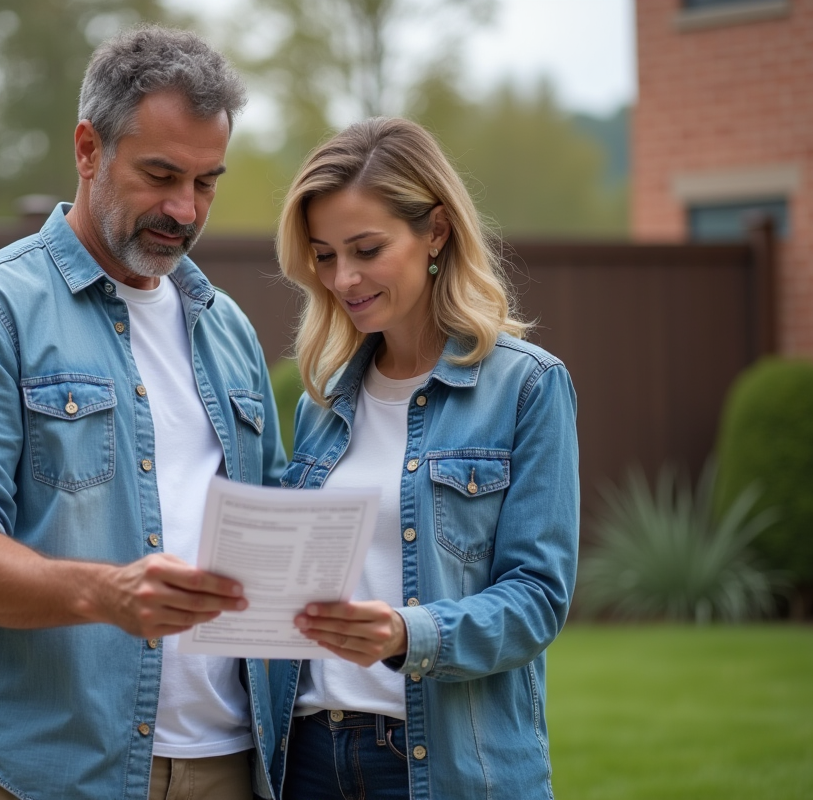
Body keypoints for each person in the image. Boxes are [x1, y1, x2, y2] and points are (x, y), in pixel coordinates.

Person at [0, 26, 287, 800]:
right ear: (88, 149)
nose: (185, 208)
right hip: (49, 772)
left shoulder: (228, 327)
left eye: (207, 182)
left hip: (232, 766)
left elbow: (266, 531)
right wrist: (105, 594)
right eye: (161, 174)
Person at [267, 117, 580, 800]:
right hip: (310, 758)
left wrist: (407, 632)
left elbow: (538, 599)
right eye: (323, 255)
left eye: (366, 248)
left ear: (435, 230)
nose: (343, 278)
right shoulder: (319, 404)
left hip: (442, 767)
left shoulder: (525, 386)